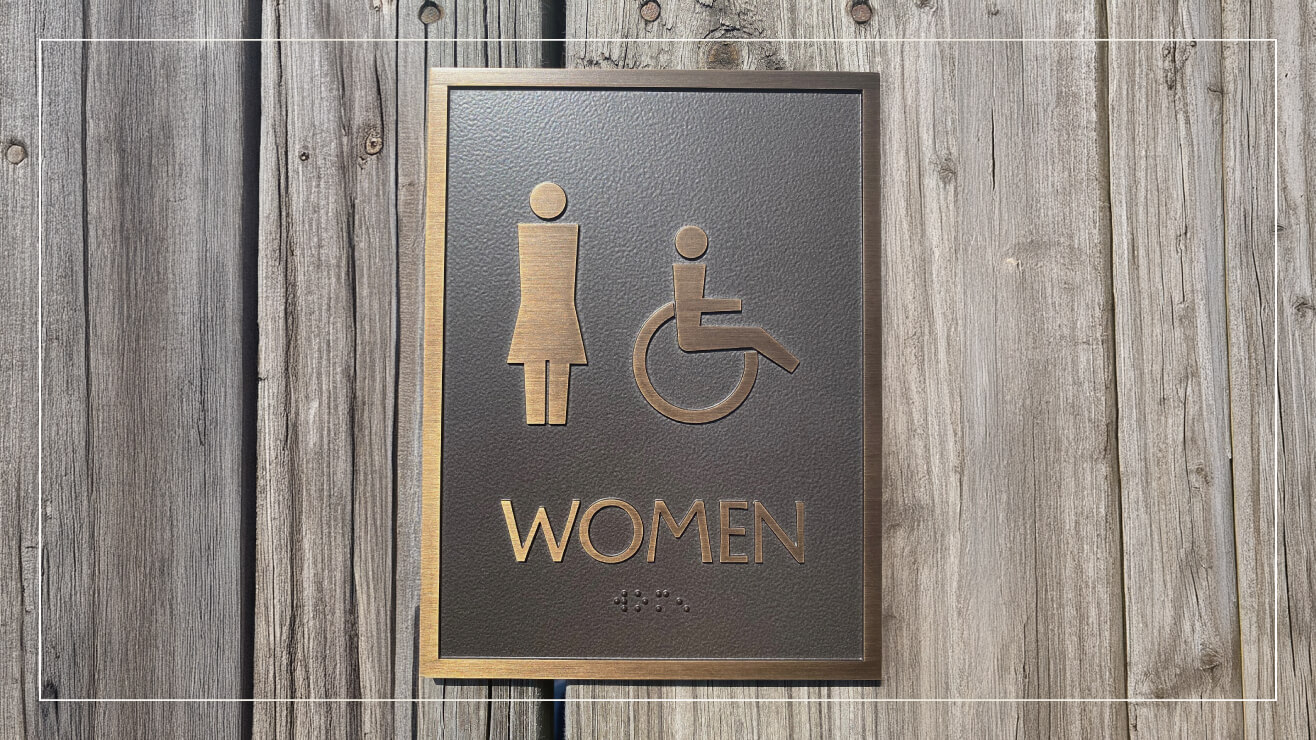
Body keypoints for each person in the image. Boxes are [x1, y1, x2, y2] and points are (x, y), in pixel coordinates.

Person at [507, 182, 587, 424]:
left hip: (545, 317)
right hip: (550, 318)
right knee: (551, 369)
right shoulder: (556, 236)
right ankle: (547, 418)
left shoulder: (546, 236)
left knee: (544, 369)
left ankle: (545, 418)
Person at [671, 225, 798, 372]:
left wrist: (730, 305)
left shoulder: (691, 272)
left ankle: (793, 365)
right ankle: (792, 365)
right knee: (756, 336)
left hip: (695, 335)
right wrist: (732, 305)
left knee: (756, 335)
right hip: (693, 337)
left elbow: (691, 306)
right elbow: (689, 306)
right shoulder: (685, 275)